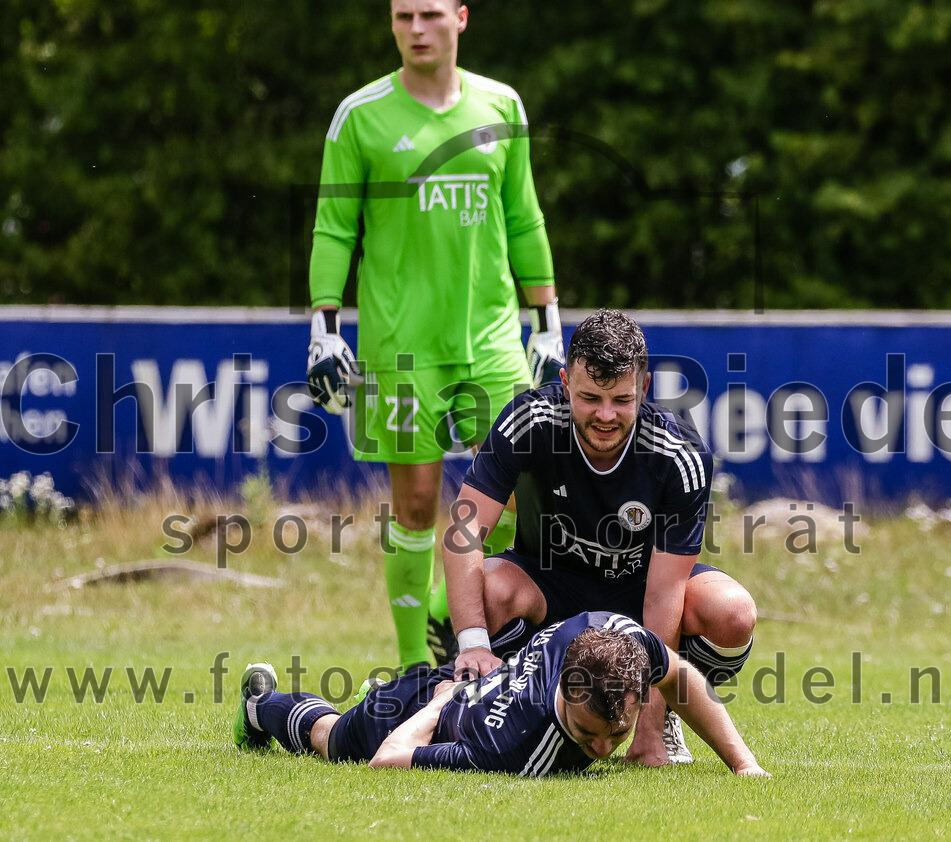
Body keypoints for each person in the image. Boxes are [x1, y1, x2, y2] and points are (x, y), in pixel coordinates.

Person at [305, 0, 564, 674]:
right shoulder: (359, 115)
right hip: (399, 344)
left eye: (428, 14)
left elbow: (524, 216)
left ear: (461, 17)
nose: (415, 29)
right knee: (416, 504)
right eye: (402, 16)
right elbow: (334, 227)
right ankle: (413, 666)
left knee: (506, 502)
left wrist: (549, 323)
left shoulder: (501, 105)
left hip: (492, 338)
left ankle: (459, 626)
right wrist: (324, 330)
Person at [442, 309, 758, 767]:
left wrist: (648, 726)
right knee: (488, 591)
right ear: (565, 382)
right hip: (547, 586)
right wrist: (472, 641)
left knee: (732, 612)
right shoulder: (528, 421)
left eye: (621, 400)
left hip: (638, 591)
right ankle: (509, 702)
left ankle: (664, 716)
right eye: (590, 398)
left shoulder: (678, 454)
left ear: (643, 389)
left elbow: (665, 589)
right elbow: (463, 531)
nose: (605, 415)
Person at [233, 611, 768, 777]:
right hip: (419, 711)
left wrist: (745, 767)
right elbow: (387, 760)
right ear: (564, 682)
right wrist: (441, 704)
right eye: (587, 732)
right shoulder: (516, 750)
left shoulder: (608, 636)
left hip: (467, 685)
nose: (603, 750)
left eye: (617, 734)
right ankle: (259, 707)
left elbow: (679, 676)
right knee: (332, 738)